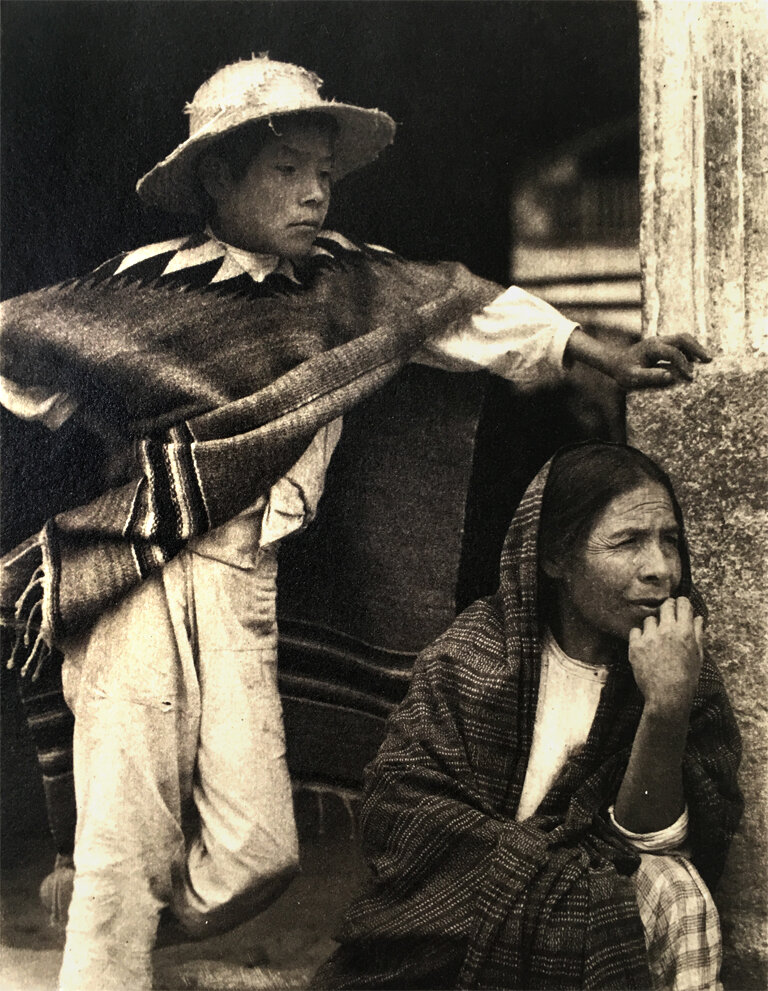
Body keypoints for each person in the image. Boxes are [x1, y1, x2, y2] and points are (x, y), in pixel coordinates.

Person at [0, 58, 711, 991]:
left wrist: (595, 351)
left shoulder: (350, 285)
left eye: (323, 173)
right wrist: (105, 415)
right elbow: (22, 351)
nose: (312, 192)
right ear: (217, 176)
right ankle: (101, 929)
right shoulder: (143, 287)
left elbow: (469, 310)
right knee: (126, 842)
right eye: (287, 168)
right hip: (138, 570)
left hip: (246, 578)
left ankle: (85, 917)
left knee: (259, 850)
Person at [314, 441, 743, 991]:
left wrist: (666, 706)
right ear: (555, 557)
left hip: (595, 901)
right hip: (456, 923)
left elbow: (653, 844)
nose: (660, 569)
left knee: (678, 895)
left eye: (670, 541)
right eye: (629, 542)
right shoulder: (472, 659)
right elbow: (401, 815)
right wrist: (551, 880)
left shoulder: (683, 669)